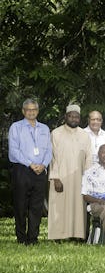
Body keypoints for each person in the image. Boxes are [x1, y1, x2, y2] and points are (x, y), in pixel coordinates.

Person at [8, 99, 52, 245]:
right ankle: (21, 238)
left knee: (37, 206)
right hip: (22, 169)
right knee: (20, 205)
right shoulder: (16, 127)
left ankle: (33, 238)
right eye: (28, 109)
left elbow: (49, 150)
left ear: (37, 111)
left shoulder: (45, 129)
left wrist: (43, 165)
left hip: (40, 171)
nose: (31, 112)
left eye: (34, 109)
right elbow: (14, 151)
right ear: (23, 111)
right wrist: (30, 164)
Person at [48, 105, 93, 241]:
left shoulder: (85, 135)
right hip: (60, 177)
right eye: (71, 116)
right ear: (65, 117)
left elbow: (89, 157)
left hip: (79, 178)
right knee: (59, 206)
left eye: (76, 116)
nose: (74, 119)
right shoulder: (56, 133)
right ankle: (58, 236)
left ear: (79, 118)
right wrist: (55, 177)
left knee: (78, 207)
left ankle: (77, 235)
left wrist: (87, 179)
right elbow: (52, 157)